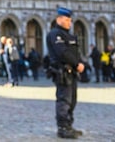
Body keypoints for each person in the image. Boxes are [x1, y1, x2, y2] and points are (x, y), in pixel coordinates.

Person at [46, 7, 84, 139]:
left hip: (72, 72)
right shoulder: (55, 34)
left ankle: (69, 125)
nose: (69, 23)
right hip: (62, 71)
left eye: (70, 20)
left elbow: (75, 52)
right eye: (67, 20)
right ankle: (62, 127)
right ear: (59, 19)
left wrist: (80, 62)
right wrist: (77, 64)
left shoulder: (69, 35)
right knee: (64, 100)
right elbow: (63, 53)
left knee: (72, 100)